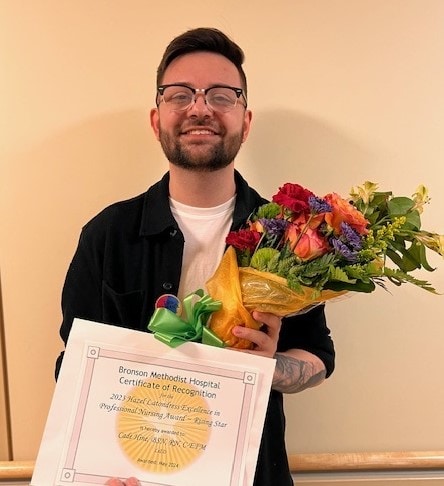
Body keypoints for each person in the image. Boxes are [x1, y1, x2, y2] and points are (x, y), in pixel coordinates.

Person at [56, 27, 335, 486]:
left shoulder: (289, 237)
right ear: (156, 119)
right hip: (132, 474)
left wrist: (270, 368)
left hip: (249, 474)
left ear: (245, 121)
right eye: (180, 94)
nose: (200, 108)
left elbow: (318, 356)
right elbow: (76, 365)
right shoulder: (107, 235)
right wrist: (98, 465)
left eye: (222, 96)